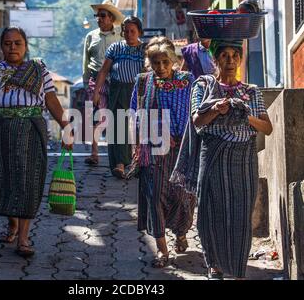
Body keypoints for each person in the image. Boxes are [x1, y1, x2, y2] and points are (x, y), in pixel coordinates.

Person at [0, 26, 73, 258]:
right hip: (0, 131)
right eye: (8, 43)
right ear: (1, 47)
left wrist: (66, 126)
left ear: (25, 46)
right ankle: (12, 223)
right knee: (0, 179)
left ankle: (24, 238)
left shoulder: (39, 71)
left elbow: (51, 100)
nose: (13, 47)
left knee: (29, 181)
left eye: (18, 43)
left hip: (31, 131)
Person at [170, 39, 273, 279]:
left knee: (240, 214)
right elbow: (197, 121)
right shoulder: (203, 86)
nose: (229, 60)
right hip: (213, 154)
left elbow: (266, 128)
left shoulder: (251, 91)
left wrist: (243, 114)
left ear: (240, 60)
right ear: (215, 61)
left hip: (243, 158)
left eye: (234, 56)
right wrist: (216, 109)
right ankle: (214, 265)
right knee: (209, 210)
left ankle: (237, 269)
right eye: (224, 56)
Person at [130, 37, 196, 268]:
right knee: (154, 195)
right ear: (149, 63)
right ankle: (162, 249)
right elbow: (134, 116)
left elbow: (195, 110)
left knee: (182, 196)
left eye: (165, 62)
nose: (161, 68)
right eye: (155, 63)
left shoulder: (187, 81)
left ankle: (181, 231)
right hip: (154, 148)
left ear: (174, 61)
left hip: (183, 148)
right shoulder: (142, 82)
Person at [93, 16, 146, 179]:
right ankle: (120, 165)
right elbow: (103, 71)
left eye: (133, 31)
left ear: (139, 32)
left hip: (139, 91)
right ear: (122, 32)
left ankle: (138, 163)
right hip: (118, 90)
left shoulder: (145, 50)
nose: (129, 34)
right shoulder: (115, 48)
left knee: (139, 128)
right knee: (118, 127)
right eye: (126, 31)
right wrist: (96, 92)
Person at [83, 0, 124, 165]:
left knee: (116, 116)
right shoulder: (90, 36)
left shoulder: (121, 35)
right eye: (97, 15)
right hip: (95, 81)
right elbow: (85, 62)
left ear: (111, 18)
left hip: (116, 81)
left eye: (102, 15)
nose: (98, 19)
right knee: (94, 116)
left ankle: (118, 156)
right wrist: (87, 83)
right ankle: (94, 153)